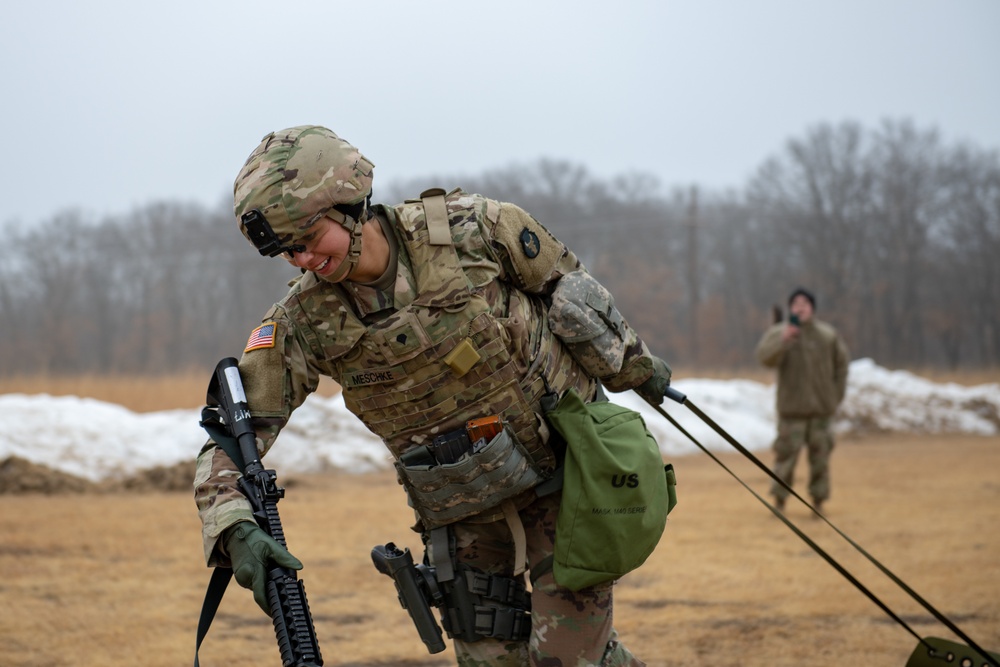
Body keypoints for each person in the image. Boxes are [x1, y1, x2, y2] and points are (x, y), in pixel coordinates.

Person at [193, 125, 673, 666]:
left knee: (566, 661)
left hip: (564, 481)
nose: (302, 260)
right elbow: (233, 435)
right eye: (286, 252)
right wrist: (231, 524)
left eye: (308, 240)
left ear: (350, 203)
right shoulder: (303, 322)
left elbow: (572, 294)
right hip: (462, 513)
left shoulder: (477, 232)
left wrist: (636, 366)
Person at [755, 287, 850, 513]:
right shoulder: (780, 333)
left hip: (821, 413)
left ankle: (819, 502)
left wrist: (833, 398)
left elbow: (842, 367)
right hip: (791, 412)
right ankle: (779, 501)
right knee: (785, 460)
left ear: (812, 308)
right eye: (795, 303)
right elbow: (764, 358)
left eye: (805, 303)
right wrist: (784, 341)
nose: (800, 307)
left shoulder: (827, 335)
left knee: (820, 462)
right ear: (790, 308)